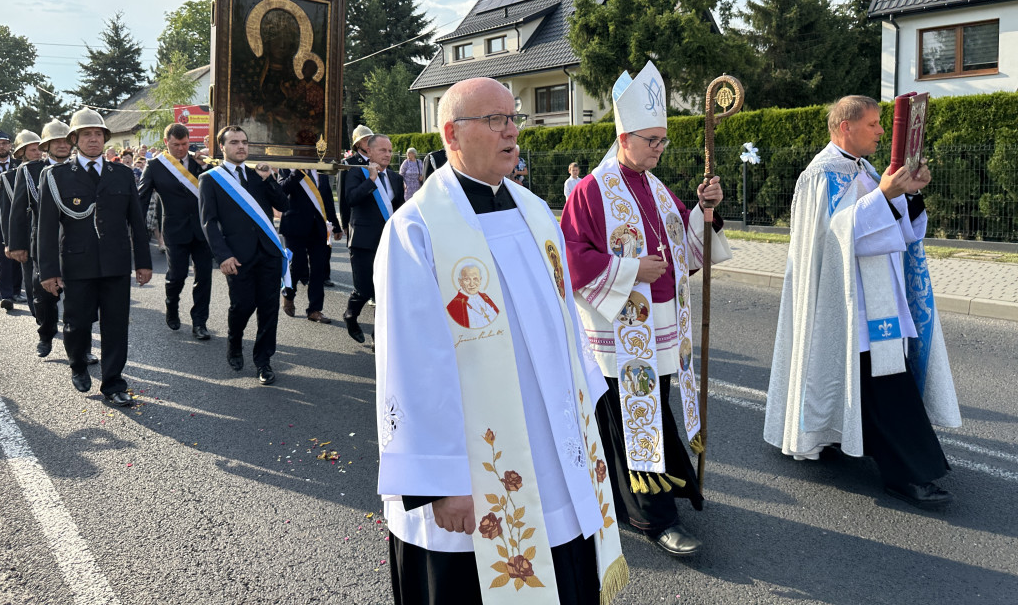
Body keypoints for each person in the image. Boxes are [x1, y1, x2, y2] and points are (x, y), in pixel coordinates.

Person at [374, 76, 628, 605]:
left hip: (554, 453)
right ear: (452, 134)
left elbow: (563, 325)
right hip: (471, 470)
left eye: (513, 118)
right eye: (495, 120)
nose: (511, 130)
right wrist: (441, 482)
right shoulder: (416, 229)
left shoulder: (536, 213)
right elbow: (411, 362)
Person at [561, 61, 731, 558]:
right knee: (636, 421)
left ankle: (656, 493)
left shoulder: (657, 187)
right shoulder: (593, 190)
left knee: (653, 413)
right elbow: (575, 261)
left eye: (664, 140)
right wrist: (632, 270)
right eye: (652, 140)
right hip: (621, 335)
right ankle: (651, 517)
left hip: (662, 329)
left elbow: (688, 245)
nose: (660, 149)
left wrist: (706, 211)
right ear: (624, 136)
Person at [763, 95, 961, 509]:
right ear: (844, 128)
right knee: (884, 388)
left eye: (879, 123)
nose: (880, 131)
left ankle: (846, 440)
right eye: (872, 124)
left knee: (878, 384)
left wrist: (908, 194)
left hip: (879, 299)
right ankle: (909, 475)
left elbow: (899, 232)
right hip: (846, 305)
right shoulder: (819, 176)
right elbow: (834, 236)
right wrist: (885, 195)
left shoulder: (867, 170)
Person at [37, 108, 152, 406]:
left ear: (105, 138)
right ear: (74, 139)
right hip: (77, 263)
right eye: (86, 134)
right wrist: (48, 271)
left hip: (115, 263)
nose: (93, 139)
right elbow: (46, 229)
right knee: (77, 322)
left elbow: (137, 224)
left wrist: (143, 263)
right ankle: (77, 363)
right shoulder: (57, 176)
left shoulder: (123, 174)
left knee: (116, 324)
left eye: (98, 134)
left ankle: (113, 382)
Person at [199, 126, 289, 385]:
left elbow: (283, 206)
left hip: (269, 253)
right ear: (222, 147)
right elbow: (209, 222)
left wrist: (269, 179)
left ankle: (263, 361)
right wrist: (223, 255)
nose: (241, 146)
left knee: (269, 309)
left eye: (245, 142)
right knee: (242, 306)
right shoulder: (211, 179)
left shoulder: (256, 175)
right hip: (237, 257)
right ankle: (234, 343)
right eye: (235, 142)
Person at [138, 122, 213, 339]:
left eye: (184, 144)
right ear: (165, 143)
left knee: (204, 277)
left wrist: (207, 165)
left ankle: (200, 322)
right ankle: (172, 306)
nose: (180, 149)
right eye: (175, 144)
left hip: (203, 229)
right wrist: (137, 228)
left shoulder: (201, 162)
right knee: (177, 276)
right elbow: (141, 199)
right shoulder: (155, 165)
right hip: (174, 229)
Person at [8, 119, 73, 358]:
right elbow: (17, 209)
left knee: (79, 300)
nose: (62, 145)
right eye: (55, 141)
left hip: (74, 244)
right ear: (45, 145)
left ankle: (80, 347)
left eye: (66, 140)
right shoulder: (30, 170)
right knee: (44, 298)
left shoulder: (81, 168)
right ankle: (46, 335)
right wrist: (16, 244)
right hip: (43, 244)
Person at [342, 134, 404, 344]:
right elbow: (350, 199)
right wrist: (371, 180)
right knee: (365, 289)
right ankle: (351, 315)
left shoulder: (396, 178)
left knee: (383, 292)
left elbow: (400, 210)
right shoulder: (357, 173)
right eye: (382, 150)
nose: (387, 154)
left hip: (387, 242)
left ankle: (379, 339)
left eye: (389, 150)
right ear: (369, 151)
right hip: (363, 241)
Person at [279, 166, 341, 323]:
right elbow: (281, 191)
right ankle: (288, 294)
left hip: (319, 228)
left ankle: (314, 309)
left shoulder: (322, 171)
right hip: (294, 225)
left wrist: (336, 225)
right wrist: (298, 172)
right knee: (297, 265)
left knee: (319, 269)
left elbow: (326, 200)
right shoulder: (287, 168)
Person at [0, 130, 41, 314]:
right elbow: (7, 212)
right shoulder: (9, 176)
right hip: (23, 233)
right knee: (31, 279)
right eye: (33, 150)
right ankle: (37, 313)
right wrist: (10, 243)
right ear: (22, 152)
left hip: (45, 232)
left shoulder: (48, 171)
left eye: (40, 149)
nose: (38, 153)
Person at [0, 129, 23, 310]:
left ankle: (15, 290)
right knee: (3, 258)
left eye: (4, 143)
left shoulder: (19, 166)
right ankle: (6, 294)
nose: (1, 146)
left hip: (17, 220)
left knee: (18, 256)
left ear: (10, 145)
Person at [337, 124, 373, 233]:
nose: (370, 143)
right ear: (358, 144)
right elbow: (342, 195)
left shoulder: (378, 162)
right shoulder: (348, 164)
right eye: (367, 140)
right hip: (356, 220)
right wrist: (345, 222)